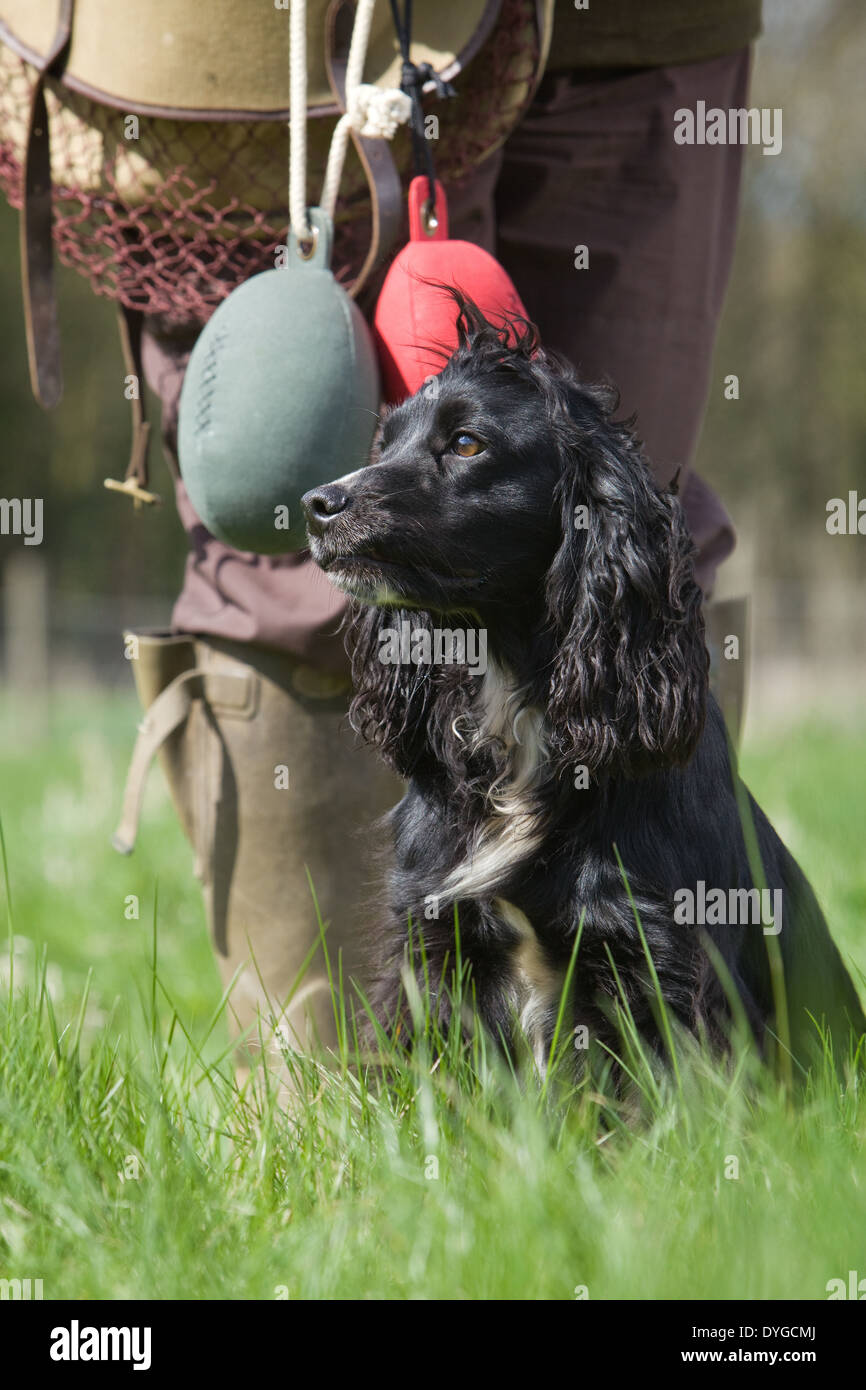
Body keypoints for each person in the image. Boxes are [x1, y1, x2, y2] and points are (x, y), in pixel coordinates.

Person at [0, 0, 761, 1075]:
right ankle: (322, 1106)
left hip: (640, 29)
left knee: (640, 511)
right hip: (263, 36)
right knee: (284, 548)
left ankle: (699, 1097)